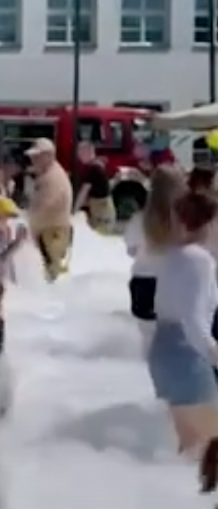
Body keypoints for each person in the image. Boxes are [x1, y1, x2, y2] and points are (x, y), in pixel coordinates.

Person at [149, 190, 218, 457]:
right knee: (205, 451)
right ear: (208, 224)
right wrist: (214, 353)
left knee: (187, 447)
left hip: (165, 350)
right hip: (185, 353)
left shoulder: (175, 256)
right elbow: (193, 319)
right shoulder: (199, 260)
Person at [125, 166, 184, 352]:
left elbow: (131, 250)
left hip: (143, 281)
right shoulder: (186, 219)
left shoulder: (139, 219)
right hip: (175, 281)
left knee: (148, 344)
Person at [25, 138, 73, 282]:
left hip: (52, 235)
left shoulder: (53, 178)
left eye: (36, 156)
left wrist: (25, 221)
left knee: (50, 276)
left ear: (49, 155)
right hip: (49, 233)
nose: (32, 159)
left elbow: (43, 208)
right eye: (32, 156)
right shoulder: (48, 174)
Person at [73, 142, 115, 234]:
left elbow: (83, 192)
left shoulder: (93, 169)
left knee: (100, 236)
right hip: (104, 206)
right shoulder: (98, 164)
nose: (79, 157)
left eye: (80, 154)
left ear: (86, 152)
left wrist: (75, 211)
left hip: (101, 210)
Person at [0, 197, 27, 283]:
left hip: (7, 276)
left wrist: (17, 241)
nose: (8, 219)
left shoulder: (6, 231)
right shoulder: (0, 233)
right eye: (6, 216)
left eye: (8, 217)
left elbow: (5, 256)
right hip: (1, 279)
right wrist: (18, 242)